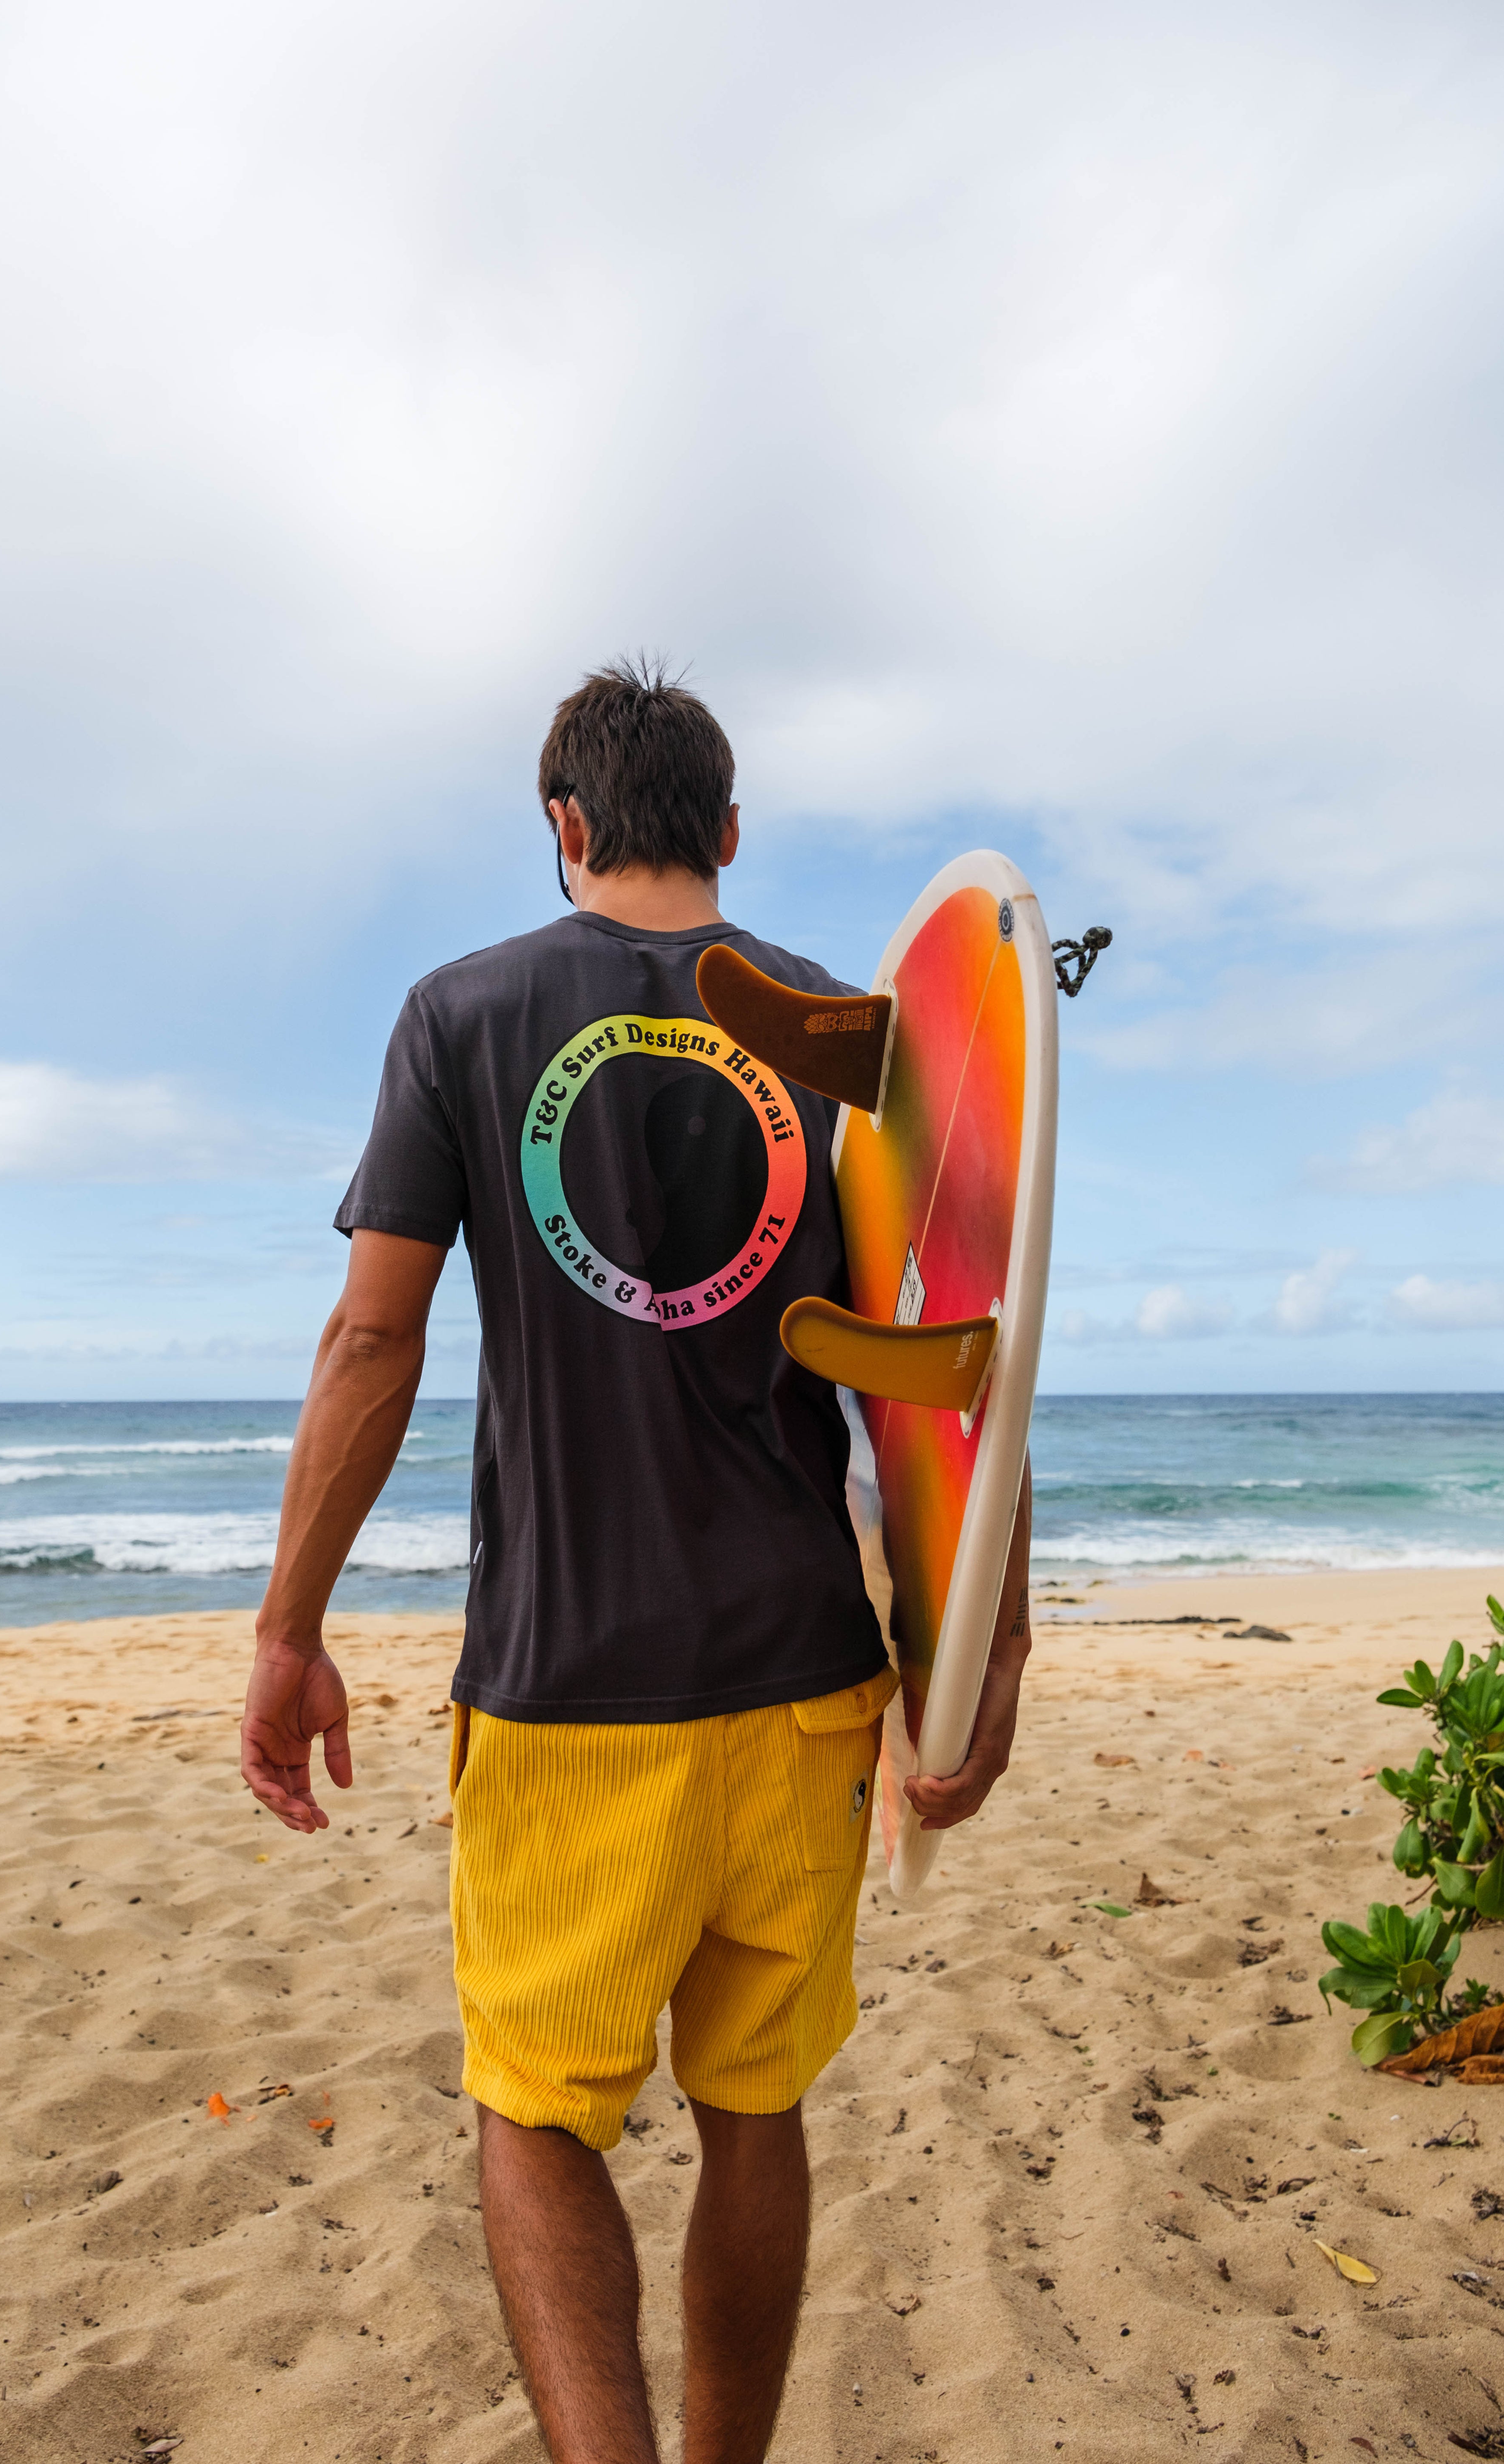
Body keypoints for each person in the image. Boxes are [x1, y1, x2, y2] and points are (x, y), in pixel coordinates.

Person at [240, 659, 1033, 2464]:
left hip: (570, 1689)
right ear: (730, 836)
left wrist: (289, 1632)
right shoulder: (857, 1026)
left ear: (567, 827)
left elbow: (374, 1346)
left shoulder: (462, 1013)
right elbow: (972, 1332)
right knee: (755, 2107)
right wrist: (991, 1636)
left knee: (535, 2118)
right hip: (806, 1681)